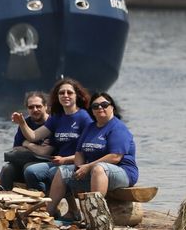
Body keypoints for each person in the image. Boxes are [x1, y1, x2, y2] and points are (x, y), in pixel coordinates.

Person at [47, 91, 138, 223]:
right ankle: (48, 214)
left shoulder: (118, 128)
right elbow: (79, 152)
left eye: (104, 105)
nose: (100, 108)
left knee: (98, 168)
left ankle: (94, 217)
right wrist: (79, 167)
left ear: (112, 107)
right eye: (95, 106)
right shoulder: (90, 127)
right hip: (94, 171)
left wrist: (88, 167)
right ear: (92, 111)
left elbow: (115, 157)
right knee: (62, 171)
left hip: (123, 172)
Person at [13, 78, 94, 193]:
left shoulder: (84, 117)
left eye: (69, 92)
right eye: (62, 93)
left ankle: (60, 200)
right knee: (31, 171)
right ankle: (45, 198)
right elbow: (34, 136)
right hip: (58, 162)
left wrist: (65, 160)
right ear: (57, 96)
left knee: (52, 173)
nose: (65, 95)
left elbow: (90, 150)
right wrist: (22, 122)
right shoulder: (57, 117)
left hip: (76, 163)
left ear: (77, 96)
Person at [0, 91, 53, 190]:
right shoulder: (25, 123)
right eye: (31, 107)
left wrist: (27, 144)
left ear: (46, 106)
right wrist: (37, 149)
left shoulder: (53, 123)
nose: (35, 110)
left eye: (38, 106)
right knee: (7, 168)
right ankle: (2, 194)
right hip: (27, 161)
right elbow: (16, 149)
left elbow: (46, 152)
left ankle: (39, 195)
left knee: (28, 167)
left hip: (47, 164)